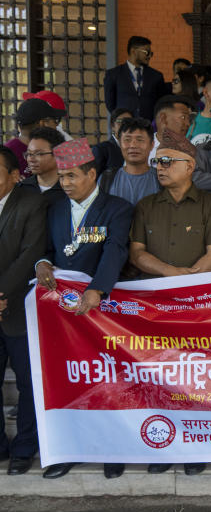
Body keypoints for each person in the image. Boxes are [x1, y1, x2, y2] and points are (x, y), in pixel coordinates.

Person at [130, 131, 211, 476]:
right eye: (157, 161)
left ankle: (195, 445)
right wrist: (170, 273)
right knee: (158, 378)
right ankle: (162, 445)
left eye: (166, 161)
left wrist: (185, 281)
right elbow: (137, 253)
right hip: (153, 310)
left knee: (194, 379)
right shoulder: (145, 206)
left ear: (189, 167)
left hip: (196, 308)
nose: (159, 167)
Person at [34, 139, 133, 480]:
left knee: (108, 381)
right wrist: (43, 263)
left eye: (72, 176)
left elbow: (116, 250)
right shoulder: (55, 208)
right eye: (62, 176)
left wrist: (97, 289)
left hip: (103, 310)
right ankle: (69, 449)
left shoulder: (117, 208)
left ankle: (114, 450)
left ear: (92, 174)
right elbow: (46, 248)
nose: (65, 183)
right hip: (65, 314)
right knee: (71, 380)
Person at [0, 145, 47, 475]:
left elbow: (31, 253)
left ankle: (25, 447)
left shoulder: (31, 204)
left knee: (29, 385)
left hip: (18, 310)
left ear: (15, 176)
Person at [98, 117, 161, 206]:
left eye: (140, 140)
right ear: (119, 143)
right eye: (127, 140)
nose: (133, 145)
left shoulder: (161, 180)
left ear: (152, 145)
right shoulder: (107, 179)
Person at [104, 35, 164, 120]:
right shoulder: (113, 74)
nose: (149, 56)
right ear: (133, 51)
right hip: (124, 126)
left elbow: (159, 103)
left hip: (147, 126)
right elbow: (110, 103)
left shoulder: (156, 76)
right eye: (147, 52)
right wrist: (120, 119)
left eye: (151, 53)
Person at [6, 98, 65, 175]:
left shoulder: (6, 152)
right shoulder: (6, 156)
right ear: (42, 123)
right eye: (55, 120)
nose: (56, 125)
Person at [21, 127, 66, 200]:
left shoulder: (68, 189)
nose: (31, 159)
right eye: (29, 153)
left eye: (38, 154)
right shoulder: (22, 188)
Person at [93, 107, 134, 174]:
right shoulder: (102, 149)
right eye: (120, 122)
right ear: (112, 126)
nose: (124, 125)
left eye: (128, 122)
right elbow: (94, 179)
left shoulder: (137, 148)